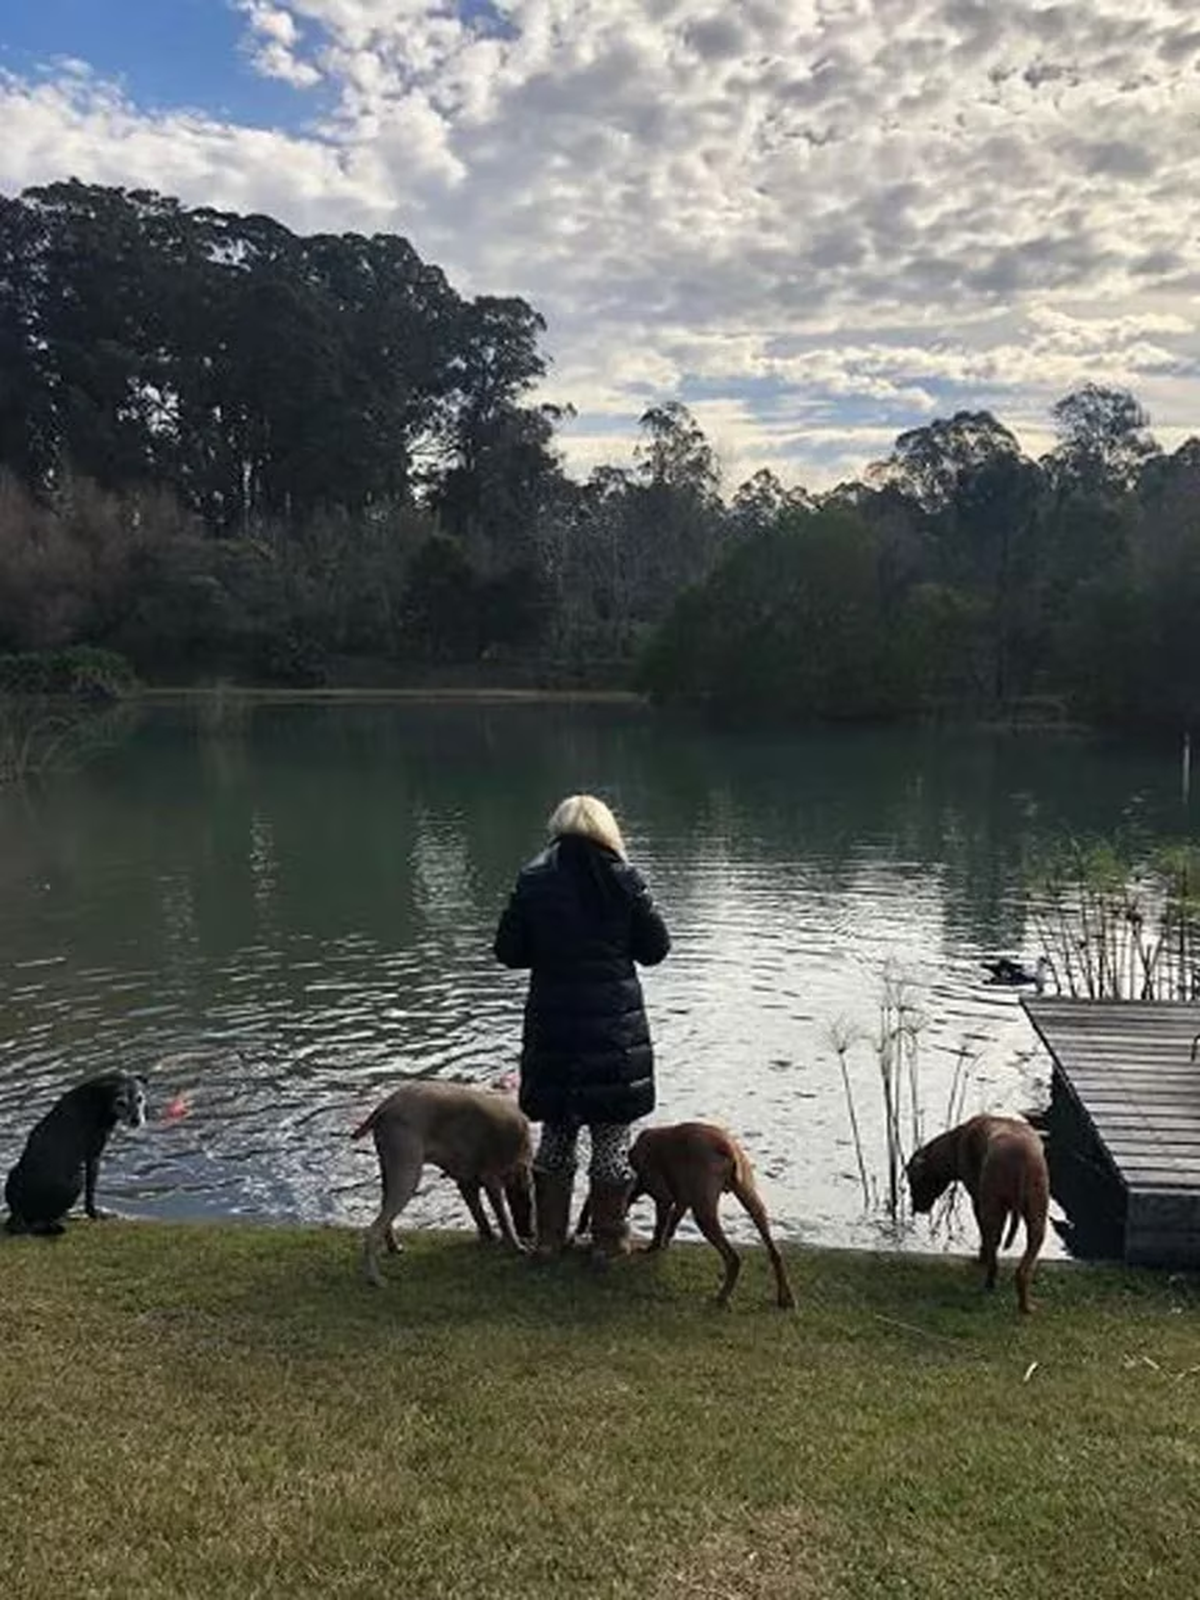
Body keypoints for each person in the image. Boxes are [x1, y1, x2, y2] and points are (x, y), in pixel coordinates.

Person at [493, 793, 671, 1262]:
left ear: (557, 830)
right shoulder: (626, 880)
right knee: (611, 1141)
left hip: (554, 1032)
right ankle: (609, 1241)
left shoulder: (534, 881)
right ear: (608, 831)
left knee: (556, 1138)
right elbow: (656, 949)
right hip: (615, 1036)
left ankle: (550, 1238)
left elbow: (508, 951)